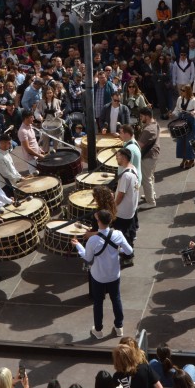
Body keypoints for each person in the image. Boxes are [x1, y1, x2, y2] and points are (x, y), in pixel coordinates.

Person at [74, 210, 133, 340]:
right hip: (114, 274)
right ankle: (119, 327)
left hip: (98, 276)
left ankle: (98, 330)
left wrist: (78, 246)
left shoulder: (93, 240)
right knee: (116, 299)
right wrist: (119, 250)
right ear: (110, 221)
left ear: (99, 222)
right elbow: (129, 251)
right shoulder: (118, 234)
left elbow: (88, 258)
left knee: (98, 302)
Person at [171, 86, 195, 170]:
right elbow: (177, 109)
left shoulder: (194, 101)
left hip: (190, 121)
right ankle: (184, 159)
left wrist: (194, 112)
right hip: (181, 120)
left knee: (190, 141)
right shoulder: (179, 99)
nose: (181, 92)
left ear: (188, 91)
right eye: (181, 90)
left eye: (183, 90)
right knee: (181, 140)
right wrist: (173, 114)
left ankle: (191, 160)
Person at [135, 109, 160, 209]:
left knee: (146, 179)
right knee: (150, 176)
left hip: (148, 156)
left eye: (142, 117)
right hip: (154, 155)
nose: (141, 119)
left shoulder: (148, 130)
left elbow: (139, 145)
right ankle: (151, 194)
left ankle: (150, 202)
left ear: (147, 116)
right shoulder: (155, 124)